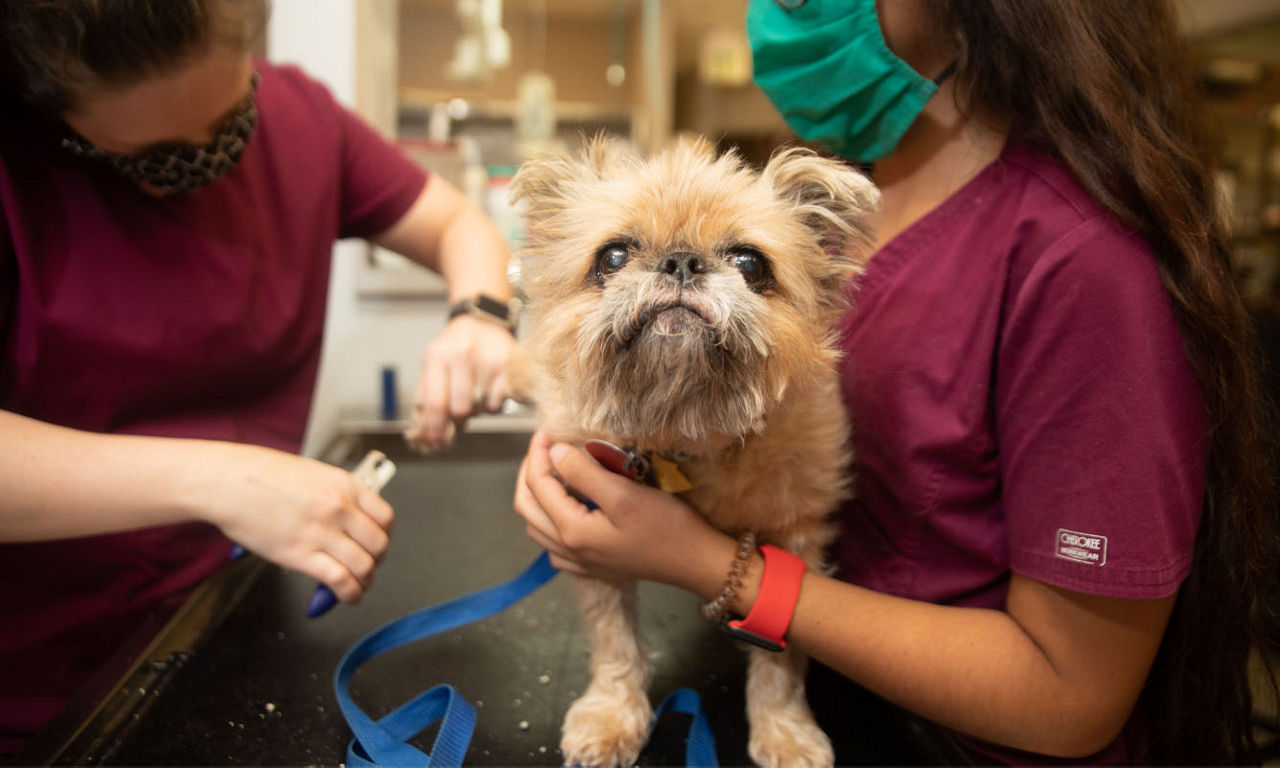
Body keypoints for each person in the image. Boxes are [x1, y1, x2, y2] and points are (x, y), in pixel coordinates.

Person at [515, 0, 1280, 763]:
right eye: (617, 257)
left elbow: (1070, 701)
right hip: (846, 697)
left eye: (748, 264)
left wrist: (700, 563)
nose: (780, 10)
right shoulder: (871, 188)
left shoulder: (1083, 260)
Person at [0, 0, 518, 756]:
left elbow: (456, 225)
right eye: (149, 154)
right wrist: (221, 481)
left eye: (228, 124)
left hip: (208, 620)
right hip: (31, 684)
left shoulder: (303, 122)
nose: (198, 166)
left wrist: (478, 313)